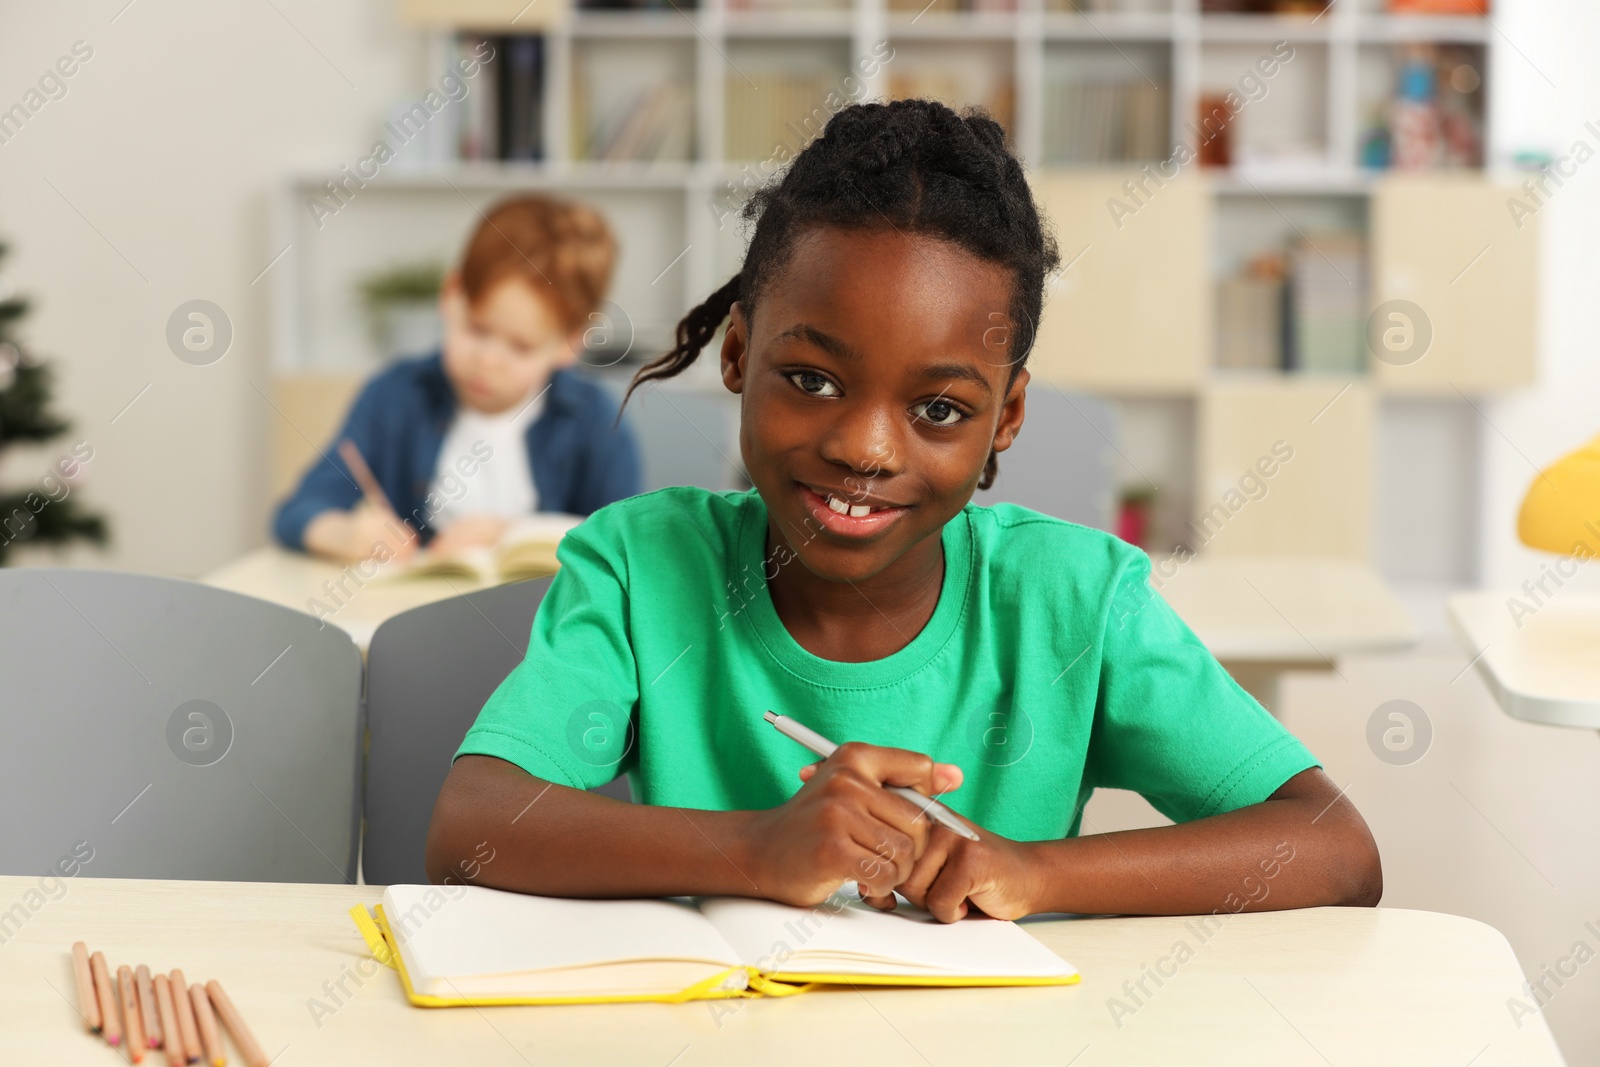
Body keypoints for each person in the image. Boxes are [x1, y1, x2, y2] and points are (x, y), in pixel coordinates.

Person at [426, 100, 1381, 922]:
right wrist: (760, 850)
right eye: (810, 377)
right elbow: (472, 825)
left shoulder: (1076, 600)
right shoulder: (640, 565)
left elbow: (1335, 846)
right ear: (738, 354)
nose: (865, 448)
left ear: (1005, 416)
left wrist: (1031, 869)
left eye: (938, 409)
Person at [272, 195, 641, 563]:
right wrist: (346, 534)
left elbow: (624, 545)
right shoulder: (394, 396)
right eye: (477, 329)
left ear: (570, 344)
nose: (487, 360)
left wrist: (516, 535)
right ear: (451, 296)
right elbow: (299, 510)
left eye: (521, 347)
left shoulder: (594, 421)